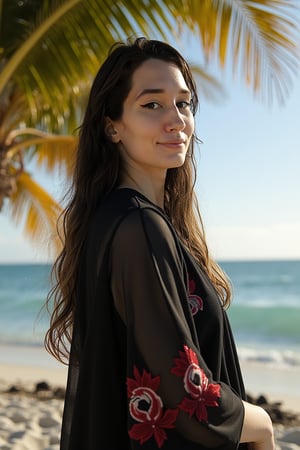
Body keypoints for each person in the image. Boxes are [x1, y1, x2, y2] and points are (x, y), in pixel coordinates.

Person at [45, 37, 275, 450]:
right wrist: (260, 422)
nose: (176, 119)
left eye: (184, 103)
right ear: (112, 126)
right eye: (152, 105)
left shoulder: (117, 219)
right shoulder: (138, 227)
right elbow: (187, 394)